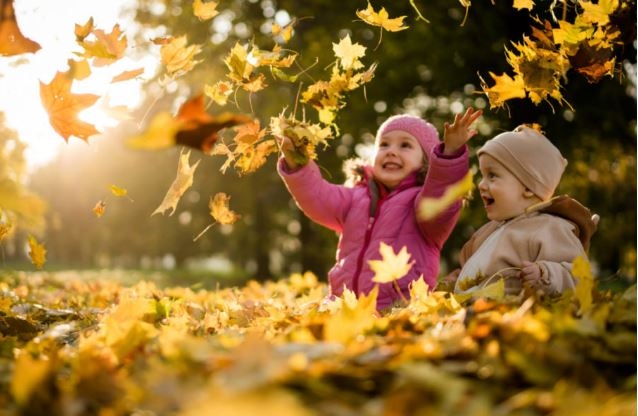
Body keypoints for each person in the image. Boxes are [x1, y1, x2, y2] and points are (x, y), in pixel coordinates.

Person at [277, 108, 482, 310]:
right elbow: (317, 196)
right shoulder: (355, 197)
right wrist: (297, 163)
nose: (391, 151)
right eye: (384, 145)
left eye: (405, 145)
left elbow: (441, 197)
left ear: (426, 162)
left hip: (397, 310)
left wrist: (449, 155)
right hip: (343, 307)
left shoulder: (422, 203)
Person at [442, 125, 599, 299]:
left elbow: (578, 275)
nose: (481, 184)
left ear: (528, 188)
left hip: (514, 316)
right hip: (477, 317)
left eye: (492, 175)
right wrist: (455, 281)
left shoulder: (550, 228)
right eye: (482, 175)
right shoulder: (488, 232)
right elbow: (475, 273)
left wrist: (544, 274)